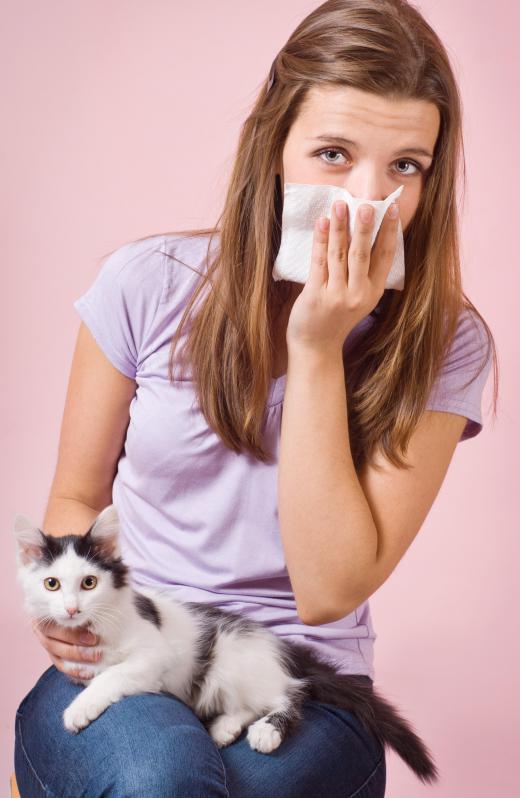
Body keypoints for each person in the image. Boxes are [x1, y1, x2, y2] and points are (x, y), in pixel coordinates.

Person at [14, 0, 498, 795]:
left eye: (405, 166)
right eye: (334, 154)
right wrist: (71, 616)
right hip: (143, 640)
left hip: (302, 680)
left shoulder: (443, 343)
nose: (368, 199)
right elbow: (75, 494)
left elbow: (328, 588)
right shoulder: (146, 285)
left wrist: (315, 347)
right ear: (273, 148)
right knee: (162, 776)